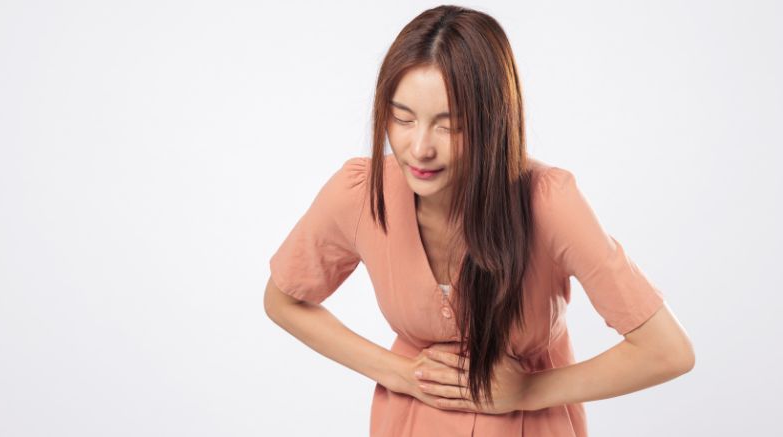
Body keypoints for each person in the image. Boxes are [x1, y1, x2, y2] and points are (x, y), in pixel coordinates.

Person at [263, 5, 694, 437]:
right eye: (403, 118)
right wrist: (396, 372)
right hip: (409, 422)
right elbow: (283, 300)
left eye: (449, 126)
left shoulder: (550, 203)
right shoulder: (361, 192)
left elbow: (667, 350)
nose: (419, 148)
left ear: (494, 123)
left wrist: (527, 391)